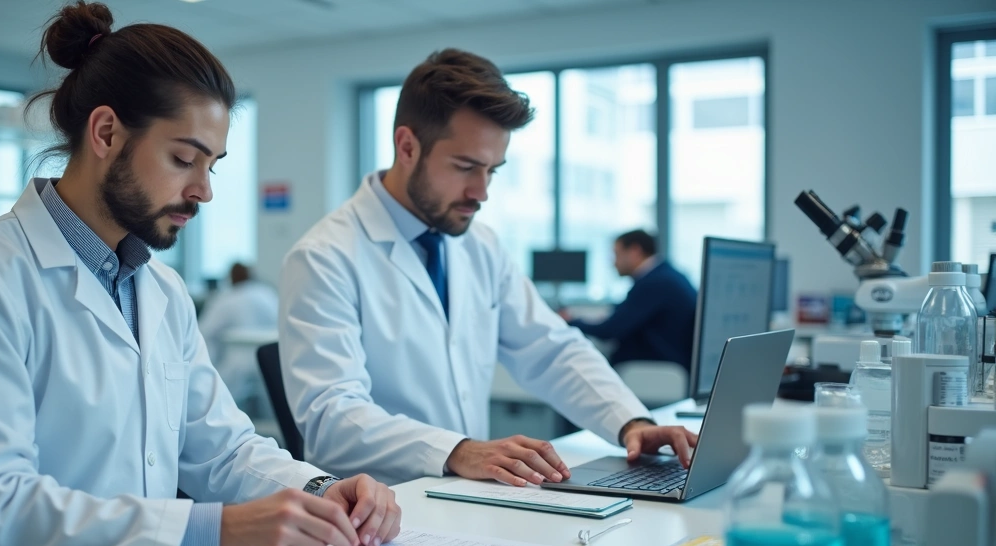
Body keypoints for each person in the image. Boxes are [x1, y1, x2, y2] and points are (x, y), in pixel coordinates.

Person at [0, 2, 399, 546]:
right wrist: (209, 531)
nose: (204, 191)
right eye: (184, 159)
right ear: (105, 134)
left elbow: (223, 450)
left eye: (211, 166)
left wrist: (321, 489)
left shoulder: (160, 291)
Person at [277, 49, 698, 488]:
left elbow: (549, 348)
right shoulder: (325, 257)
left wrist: (631, 422)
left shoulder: (480, 244)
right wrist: (460, 450)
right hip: (380, 508)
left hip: (465, 498)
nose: (481, 193)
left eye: (493, 171)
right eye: (465, 167)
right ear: (407, 146)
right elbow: (332, 420)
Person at [564, 230, 698, 373]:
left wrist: (571, 321)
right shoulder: (666, 275)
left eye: (617, 254)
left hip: (656, 369)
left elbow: (609, 331)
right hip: (665, 365)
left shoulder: (655, 282)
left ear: (635, 250)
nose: (614, 263)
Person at [198, 263, 279, 410]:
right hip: (270, 361)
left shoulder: (227, 299)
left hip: (239, 360)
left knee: (219, 403)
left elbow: (204, 331)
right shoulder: (267, 294)